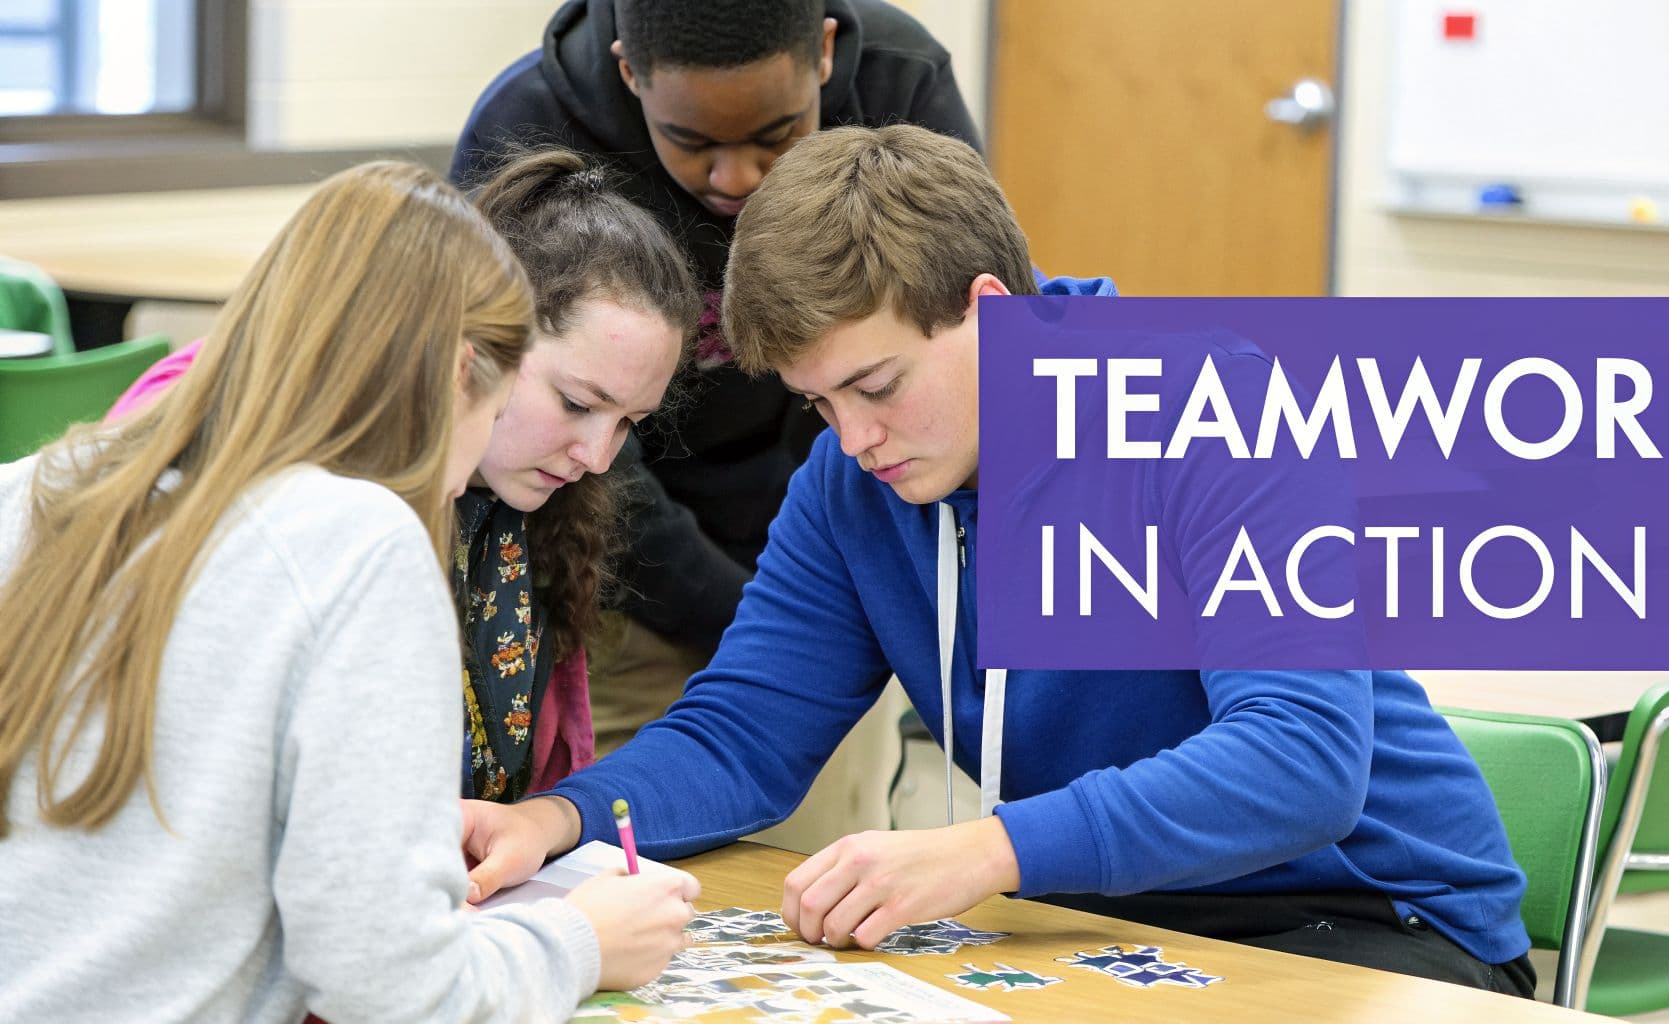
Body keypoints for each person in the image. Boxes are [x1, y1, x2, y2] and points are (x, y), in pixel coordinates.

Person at [459, 126, 1538, 997]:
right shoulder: (853, 484)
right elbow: (744, 731)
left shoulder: (1219, 416)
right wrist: (553, 818)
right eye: (817, 403)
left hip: (1370, 924)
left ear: (991, 312)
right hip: (1105, 923)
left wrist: (987, 850)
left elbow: (1298, 760)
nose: (854, 437)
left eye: (876, 386)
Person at [0, 162, 698, 1023]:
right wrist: (577, 941)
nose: (595, 458)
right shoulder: (364, 543)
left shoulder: (37, 485)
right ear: (459, 370)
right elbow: (389, 986)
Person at [452, 0, 982, 752]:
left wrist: (810, 611)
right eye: (690, 140)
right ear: (629, 73)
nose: (738, 176)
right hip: (621, 570)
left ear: (824, 54)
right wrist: (751, 626)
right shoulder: (529, 124)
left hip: (831, 577)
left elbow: (970, 338)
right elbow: (589, 466)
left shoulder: (903, 79)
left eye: (777, 133)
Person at [108, 147, 702, 802]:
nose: (597, 457)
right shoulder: (279, 479)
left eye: (628, 423)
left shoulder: (541, 512)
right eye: (577, 404)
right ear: (479, 343)